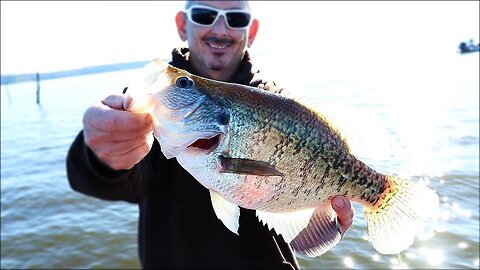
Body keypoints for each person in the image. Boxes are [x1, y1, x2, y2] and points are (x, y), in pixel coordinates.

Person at [66, 1, 355, 269]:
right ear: (182, 25)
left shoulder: (280, 104)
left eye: (235, 18)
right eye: (204, 15)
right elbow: (112, 182)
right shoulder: (159, 102)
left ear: (250, 30)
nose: (220, 29)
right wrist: (99, 156)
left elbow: (301, 233)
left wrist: (321, 225)